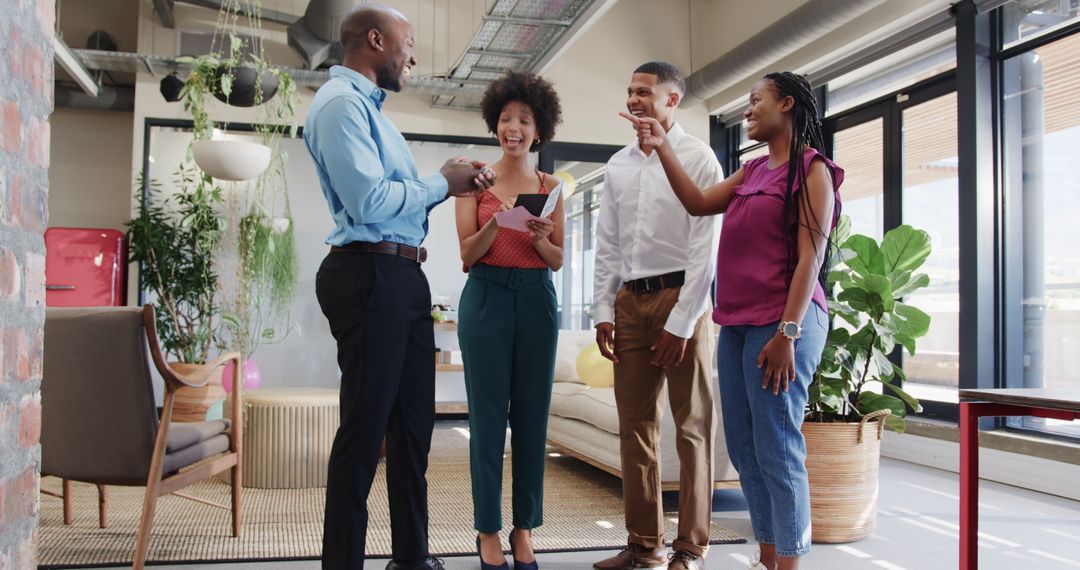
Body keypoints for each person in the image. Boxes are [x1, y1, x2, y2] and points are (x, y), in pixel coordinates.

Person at [620, 71, 844, 570]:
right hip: (738, 322)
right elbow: (698, 204)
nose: (748, 110)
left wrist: (788, 332)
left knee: (777, 445)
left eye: (755, 100)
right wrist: (660, 147)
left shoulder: (813, 170)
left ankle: (788, 561)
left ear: (786, 104)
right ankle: (768, 556)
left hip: (785, 322)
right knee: (743, 449)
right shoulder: (754, 171)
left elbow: (811, 257)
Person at [304, 5, 496, 569]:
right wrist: (441, 182)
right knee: (365, 433)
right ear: (375, 40)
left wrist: (446, 180)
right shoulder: (340, 105)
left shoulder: (375, 114)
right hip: (368, 277)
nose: (413, 55)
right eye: (408, 43)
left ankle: (411, 558)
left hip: (402, 277)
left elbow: (396, 198)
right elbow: (368, 204)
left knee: (414, 431)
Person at [591, 62, 723, 570]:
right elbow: (607, 244)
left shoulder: (699, 157)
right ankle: (644, 545)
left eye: (644, 92)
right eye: (629, 91)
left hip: (681, 298)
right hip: (630, 302)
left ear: (673, 100)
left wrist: (681, 323)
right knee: (636, 427)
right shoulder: (619, 164)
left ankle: (691, 548)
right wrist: (604, 310)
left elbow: (703, 249)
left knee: (691, 428)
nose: (634, 99)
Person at [455, 70, 564, 570]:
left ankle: (524, 529)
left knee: (531, 418)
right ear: (494, 124)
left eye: (524, 119)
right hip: (485, 298)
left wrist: (540, 237)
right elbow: (466, 255)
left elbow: (556, 259)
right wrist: (497, 218)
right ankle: (487, 530)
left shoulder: (552, 185)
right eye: (505, 118)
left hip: (536, 300)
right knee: (486, 420)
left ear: (539, 130)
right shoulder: (475, 180)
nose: (513, 127)